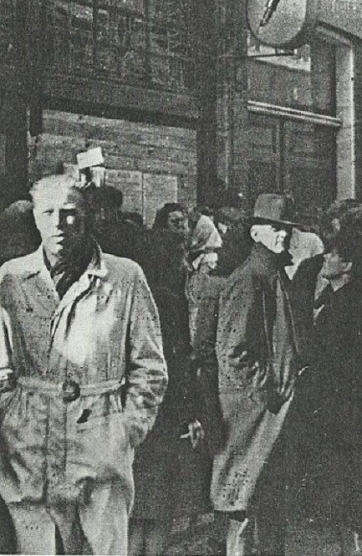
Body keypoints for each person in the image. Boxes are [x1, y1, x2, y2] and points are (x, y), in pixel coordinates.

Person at [0, 174, 167, 554]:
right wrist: (12, 416)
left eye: (70, 212)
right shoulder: (11, 278)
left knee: (103, 546)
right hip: (30, 443)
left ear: (87, 216)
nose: (59, 223)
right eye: (48, 213)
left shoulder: (124, 278)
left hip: (100, 439)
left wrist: (126, 429)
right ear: (36, 220)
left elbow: (150, 367)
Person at [211, 193, 300, 556]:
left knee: (266, 501)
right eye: (274, 228)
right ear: (255, 232)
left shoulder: (273, 273)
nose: (282, 235)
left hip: (269, 409)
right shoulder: (249, 278)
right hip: (252, 411)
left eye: (285, 229)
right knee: (243, 504)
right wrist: (267, 390)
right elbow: (232, 350)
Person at [311, 231, 362, 556]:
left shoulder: (355, 304)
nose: (325, 258)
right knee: (345, 483)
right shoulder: (337, 300)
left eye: (332, 254)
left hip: (350, 406)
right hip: (342, 404)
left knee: (357, 480)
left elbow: (353, 360)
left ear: (347, 264)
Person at [129, 230, 209, 555]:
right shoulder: (170, 301)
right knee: (160, 510)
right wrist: (191, 414)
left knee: (136, 512)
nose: (186, 266)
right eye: (181, 258)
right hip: (164, 414)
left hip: (135, 410)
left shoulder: (133, 295)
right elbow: (178, 363)